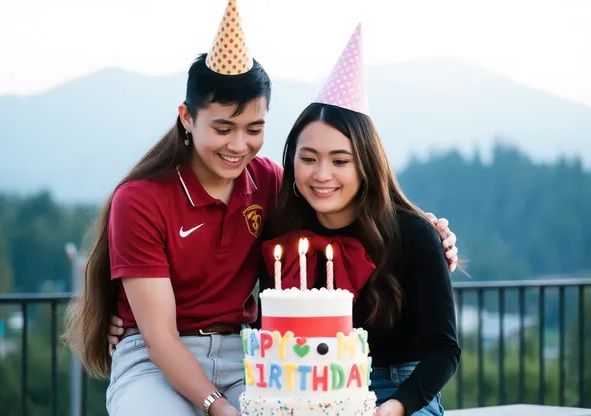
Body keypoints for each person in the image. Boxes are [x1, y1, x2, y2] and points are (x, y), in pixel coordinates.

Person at [82, 7, 459, 416]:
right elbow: (159, 336)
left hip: (256, 359)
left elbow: (442, 343)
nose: (238, 145)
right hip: (163, 358)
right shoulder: (148, 199)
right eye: (223, 128)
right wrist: (215, 403)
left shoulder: (268, 184)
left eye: (255, 129)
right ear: (187, 119)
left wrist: (436, 235)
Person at [257, 25, 460, 416]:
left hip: (398, 388)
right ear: (291, 159)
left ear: (365, 164)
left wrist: (397, 406)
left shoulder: (412, 234)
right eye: (309, 157)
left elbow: (445, 349)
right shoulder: (283, 236)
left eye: (339, 160)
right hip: (303, 390)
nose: (321, 174)